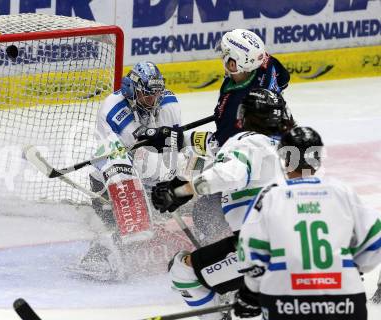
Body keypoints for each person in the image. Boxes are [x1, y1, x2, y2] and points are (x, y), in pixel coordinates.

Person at [150, 88, 295, 319]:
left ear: (244, 117)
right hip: (304, 244)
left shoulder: (246, 142)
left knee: (183, 271)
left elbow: (230, 173)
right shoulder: (290, 148)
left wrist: (182, 191)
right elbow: (214, 148)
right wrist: (175, 139)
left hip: (263, 247)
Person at [140, 29, 290, 244]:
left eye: (225, 54)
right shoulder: (266, 62)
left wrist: (178, 139)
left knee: (206, 210)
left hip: (259, 166)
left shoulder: (236, 108)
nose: (222, 57)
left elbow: (219, 147)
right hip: (277, 141)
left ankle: (223, 248)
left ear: (234, 64)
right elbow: (284, 80)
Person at [234, 126, 381, 320]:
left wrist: (251, 292)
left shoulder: (271, 195)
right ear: (318, 159)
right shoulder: (342, 192)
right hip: (344, 298)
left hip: (284, 301)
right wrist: (350, 268)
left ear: (285, 158)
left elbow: (250, 251)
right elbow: (374, 241)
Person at [78, 61, 182, 280]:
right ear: (131, 90)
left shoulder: (169, 104)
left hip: (150, 177)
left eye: (156, 94)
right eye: (146, 95)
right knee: (121, 224)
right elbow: (111, 158)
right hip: (110, 182)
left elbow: (173, 148)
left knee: (183, 183)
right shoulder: (111, 109)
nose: (153, 100)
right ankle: (98, 255)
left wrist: (169, 182)